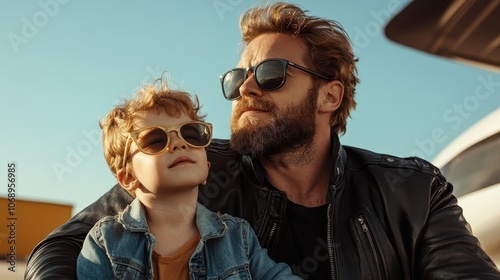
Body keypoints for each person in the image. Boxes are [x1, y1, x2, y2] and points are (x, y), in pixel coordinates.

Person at [25, 2, 500, 279]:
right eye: (237, 79)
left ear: (329, 96)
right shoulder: (187, 165)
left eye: (272, 74)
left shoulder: (413, 190)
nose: (247, 88)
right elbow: (57, 248)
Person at [75, 78, 300, 279]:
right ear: (128, 178)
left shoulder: (237, 237)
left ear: (207, 167)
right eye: (155, 140)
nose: (180, 143)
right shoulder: (105, 241)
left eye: (191, 134)